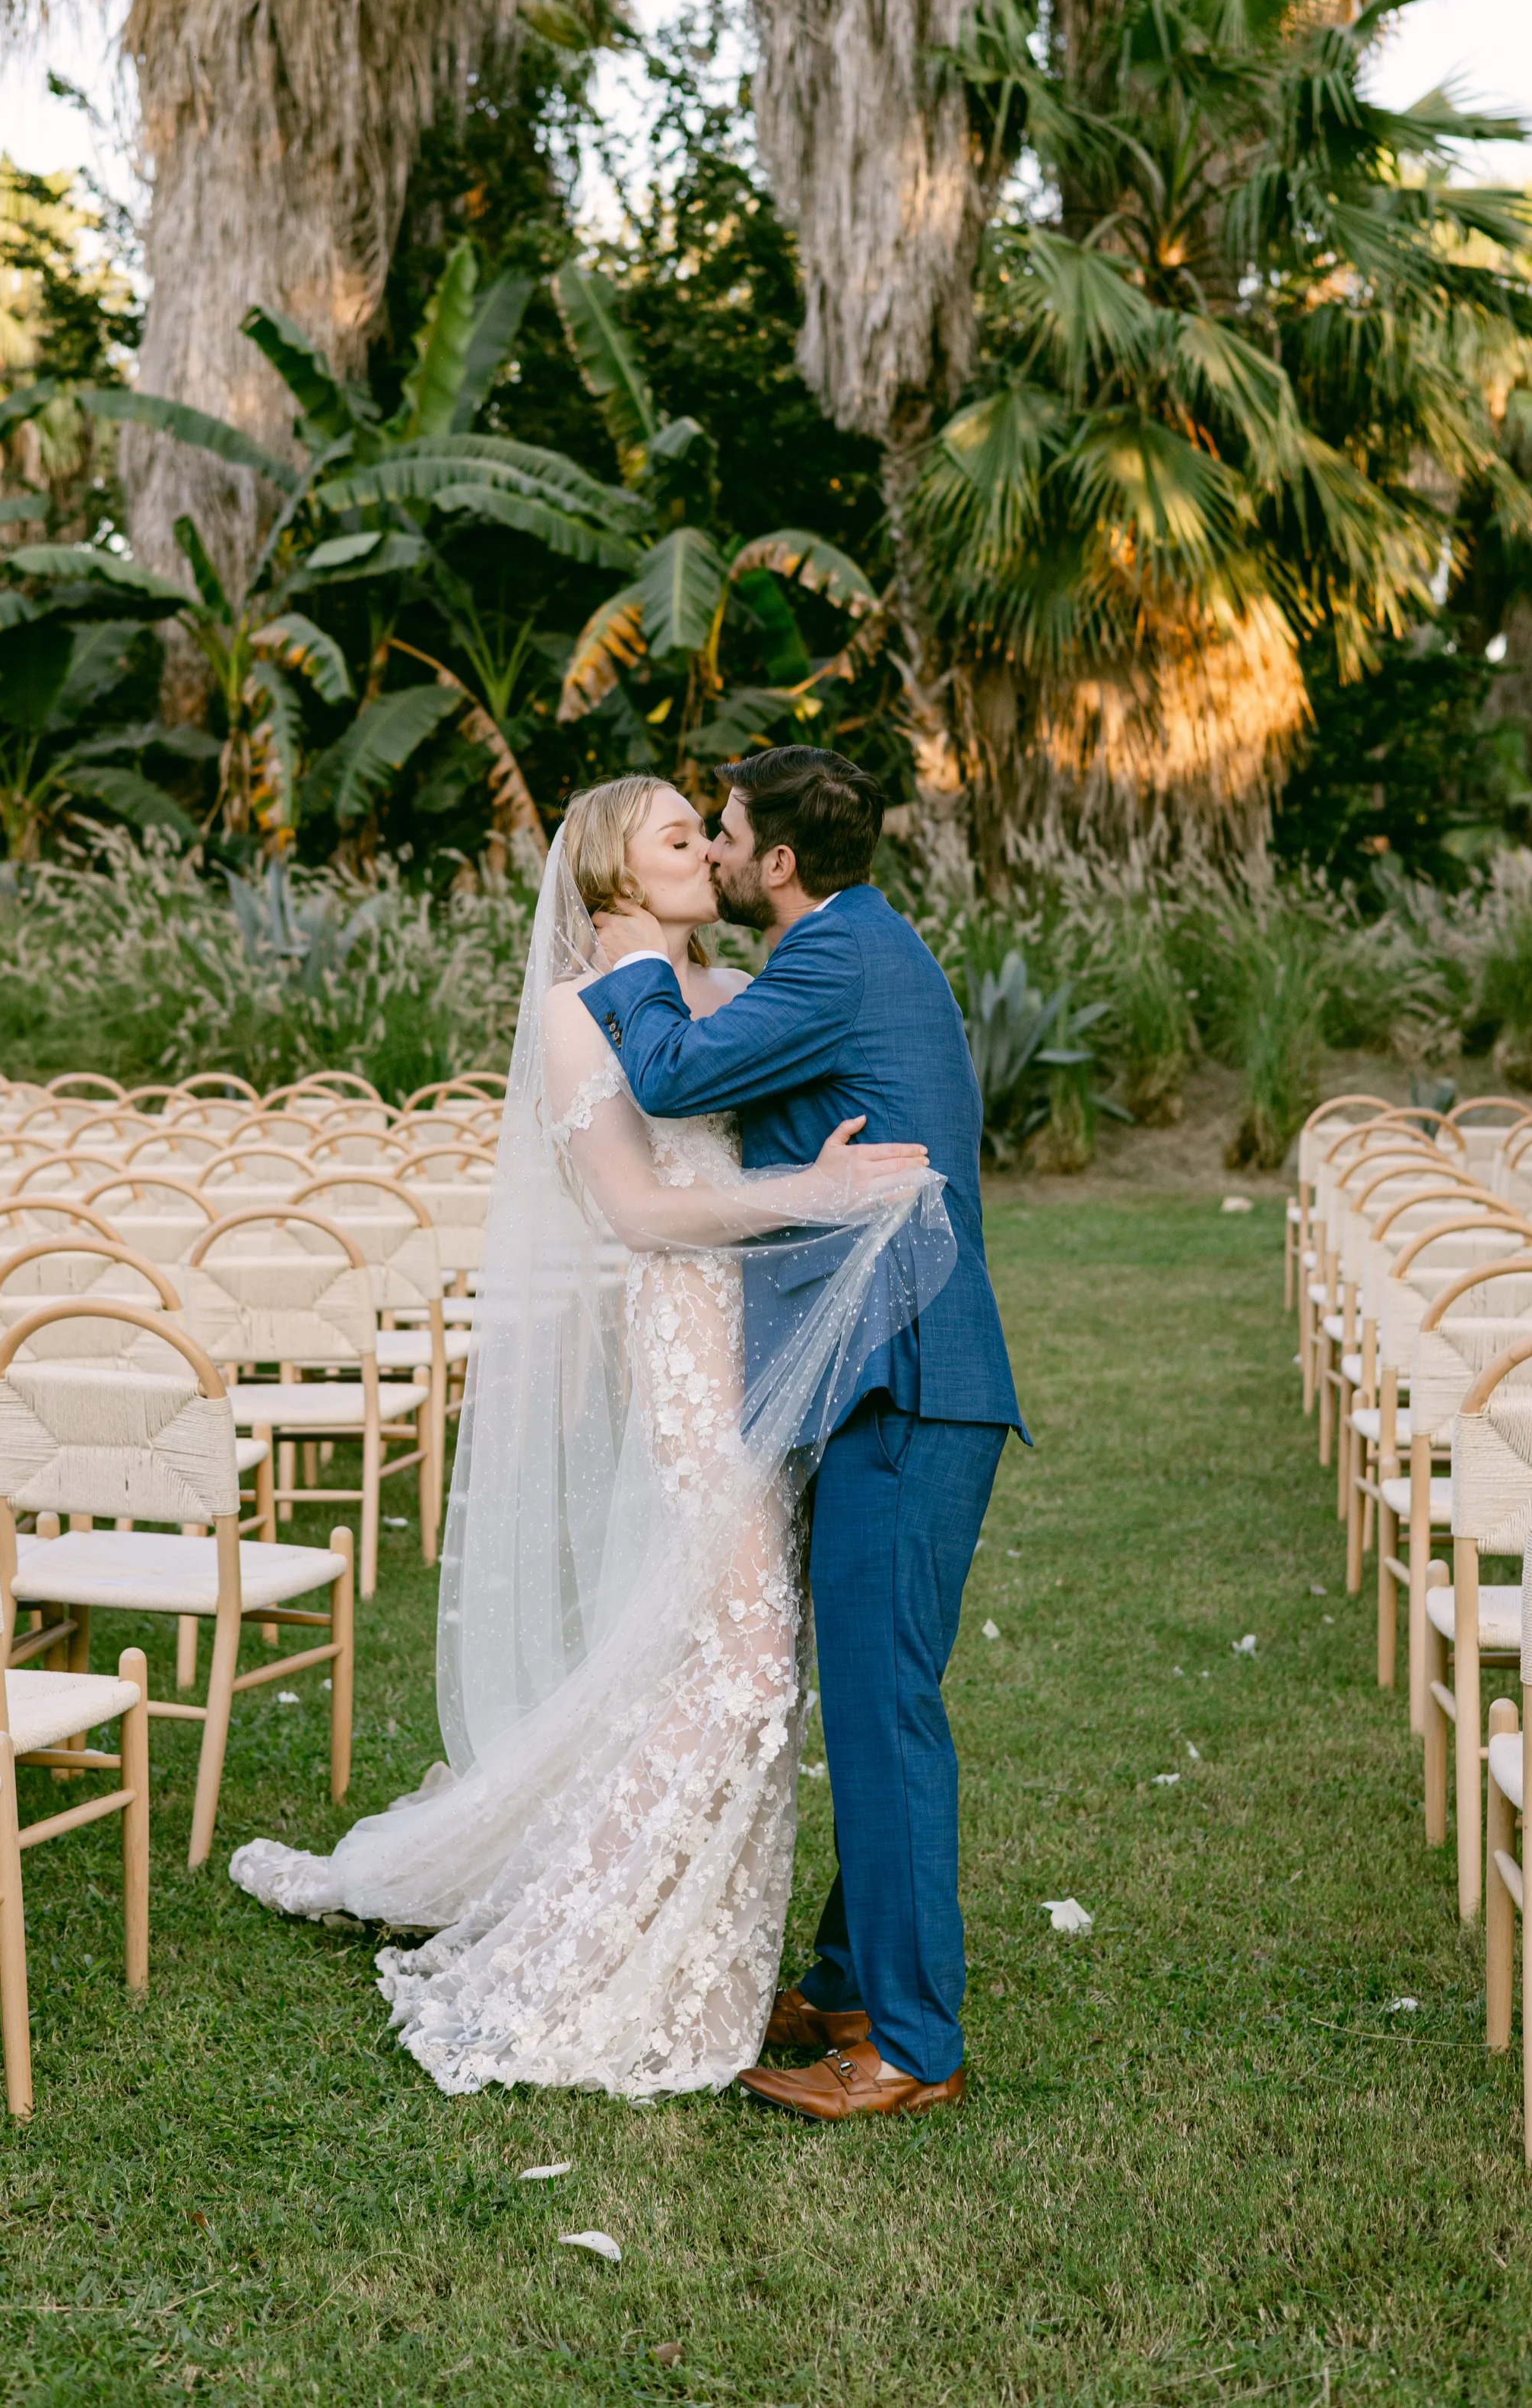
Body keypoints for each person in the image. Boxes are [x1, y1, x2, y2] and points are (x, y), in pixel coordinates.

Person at [230, 773, 948, 2102]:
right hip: (688, 1340)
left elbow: (773, 1091)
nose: (710, 854)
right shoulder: (579, 1017)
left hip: (778, 1344)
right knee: (740, 1658)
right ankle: (587, 1946)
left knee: (742, 1652)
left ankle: (719, 1948)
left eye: (711, 832)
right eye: (682, 837)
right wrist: (816, 1189)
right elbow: (636, 1209)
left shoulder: (731, 999)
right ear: (617, 876)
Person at [579, 744, 1025, 2122]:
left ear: (777, 863)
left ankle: (908, 2047)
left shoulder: (834, 963)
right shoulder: (850, 954)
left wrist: (623, 951)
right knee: (874, 1701)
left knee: (887, 1716)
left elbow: (661, 1075)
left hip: (904, 1383)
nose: (709, 852)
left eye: (722, 835)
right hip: (887, 1382)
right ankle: (846, 1984)